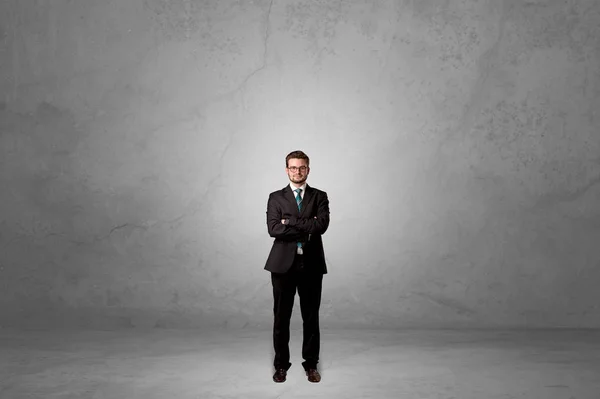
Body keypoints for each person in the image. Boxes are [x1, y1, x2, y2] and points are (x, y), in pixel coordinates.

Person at [264, 150, 330, 383]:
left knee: (311, 318)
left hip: (311, 265)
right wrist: (306, 225)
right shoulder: (276, 197)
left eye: (302, 167)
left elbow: (321, 226)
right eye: (293, 167)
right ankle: (281, 365)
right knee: (281, 318)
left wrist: (290, 222)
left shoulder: (319, 196)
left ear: (308, 169)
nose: (297, 171)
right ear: (286, 170)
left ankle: (311, 365)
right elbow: (274, 229)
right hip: (283, 266)